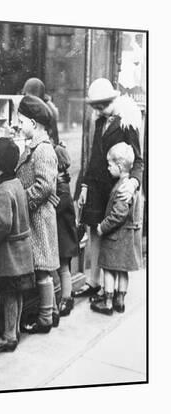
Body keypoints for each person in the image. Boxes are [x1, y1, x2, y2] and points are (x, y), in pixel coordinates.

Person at [74, 78, 143, 301]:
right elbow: (94, 156)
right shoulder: (99, 121)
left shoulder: (127, 121)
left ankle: (108, 287)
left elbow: (138, 160)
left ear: (113, 99)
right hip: (96, 185)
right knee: (94, 231)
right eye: (96, 106)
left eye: (102, 105)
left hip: (115, 187)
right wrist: (84, 185)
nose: (99, 110)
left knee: (111, 235)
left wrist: (133, 183)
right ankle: (94, 281)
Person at [15, 95, 60, 334]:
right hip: (37, 216)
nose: (18, 125)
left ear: (33, 123)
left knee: (42, 271)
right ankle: (50, 311)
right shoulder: (36, 146)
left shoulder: (42, 150)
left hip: (38, 219)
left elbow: (45, 186)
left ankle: (45, 319)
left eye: (21, 121)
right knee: (43, 269)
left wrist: (20, 201)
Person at [0, 138, 35, 352]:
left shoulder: (3, 191)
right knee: (17, 294)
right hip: (22, 250)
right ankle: (14, 331)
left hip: (9, 255)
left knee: (8, 294)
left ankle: (8, 337)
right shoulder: (17, 184)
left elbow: (3, 224)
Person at [90, 142, 143, 315]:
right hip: (126, 237)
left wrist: (102, 228)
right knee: (122, 270)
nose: (107, 168)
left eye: (110, 165)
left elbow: (119, 214)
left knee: (109, 269)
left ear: (119, 166)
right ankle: (120, 301)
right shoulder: (128, 185)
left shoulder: (122, 188)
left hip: (115, 237)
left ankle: (107, 302)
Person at [54, 143, 79, 316]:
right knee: (63, 269)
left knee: (64, 269)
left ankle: (66, 299)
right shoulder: (63, 185)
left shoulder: (62, 189)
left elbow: (56, 208)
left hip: (64, 239)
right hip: (64, 238)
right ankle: (64, 297)